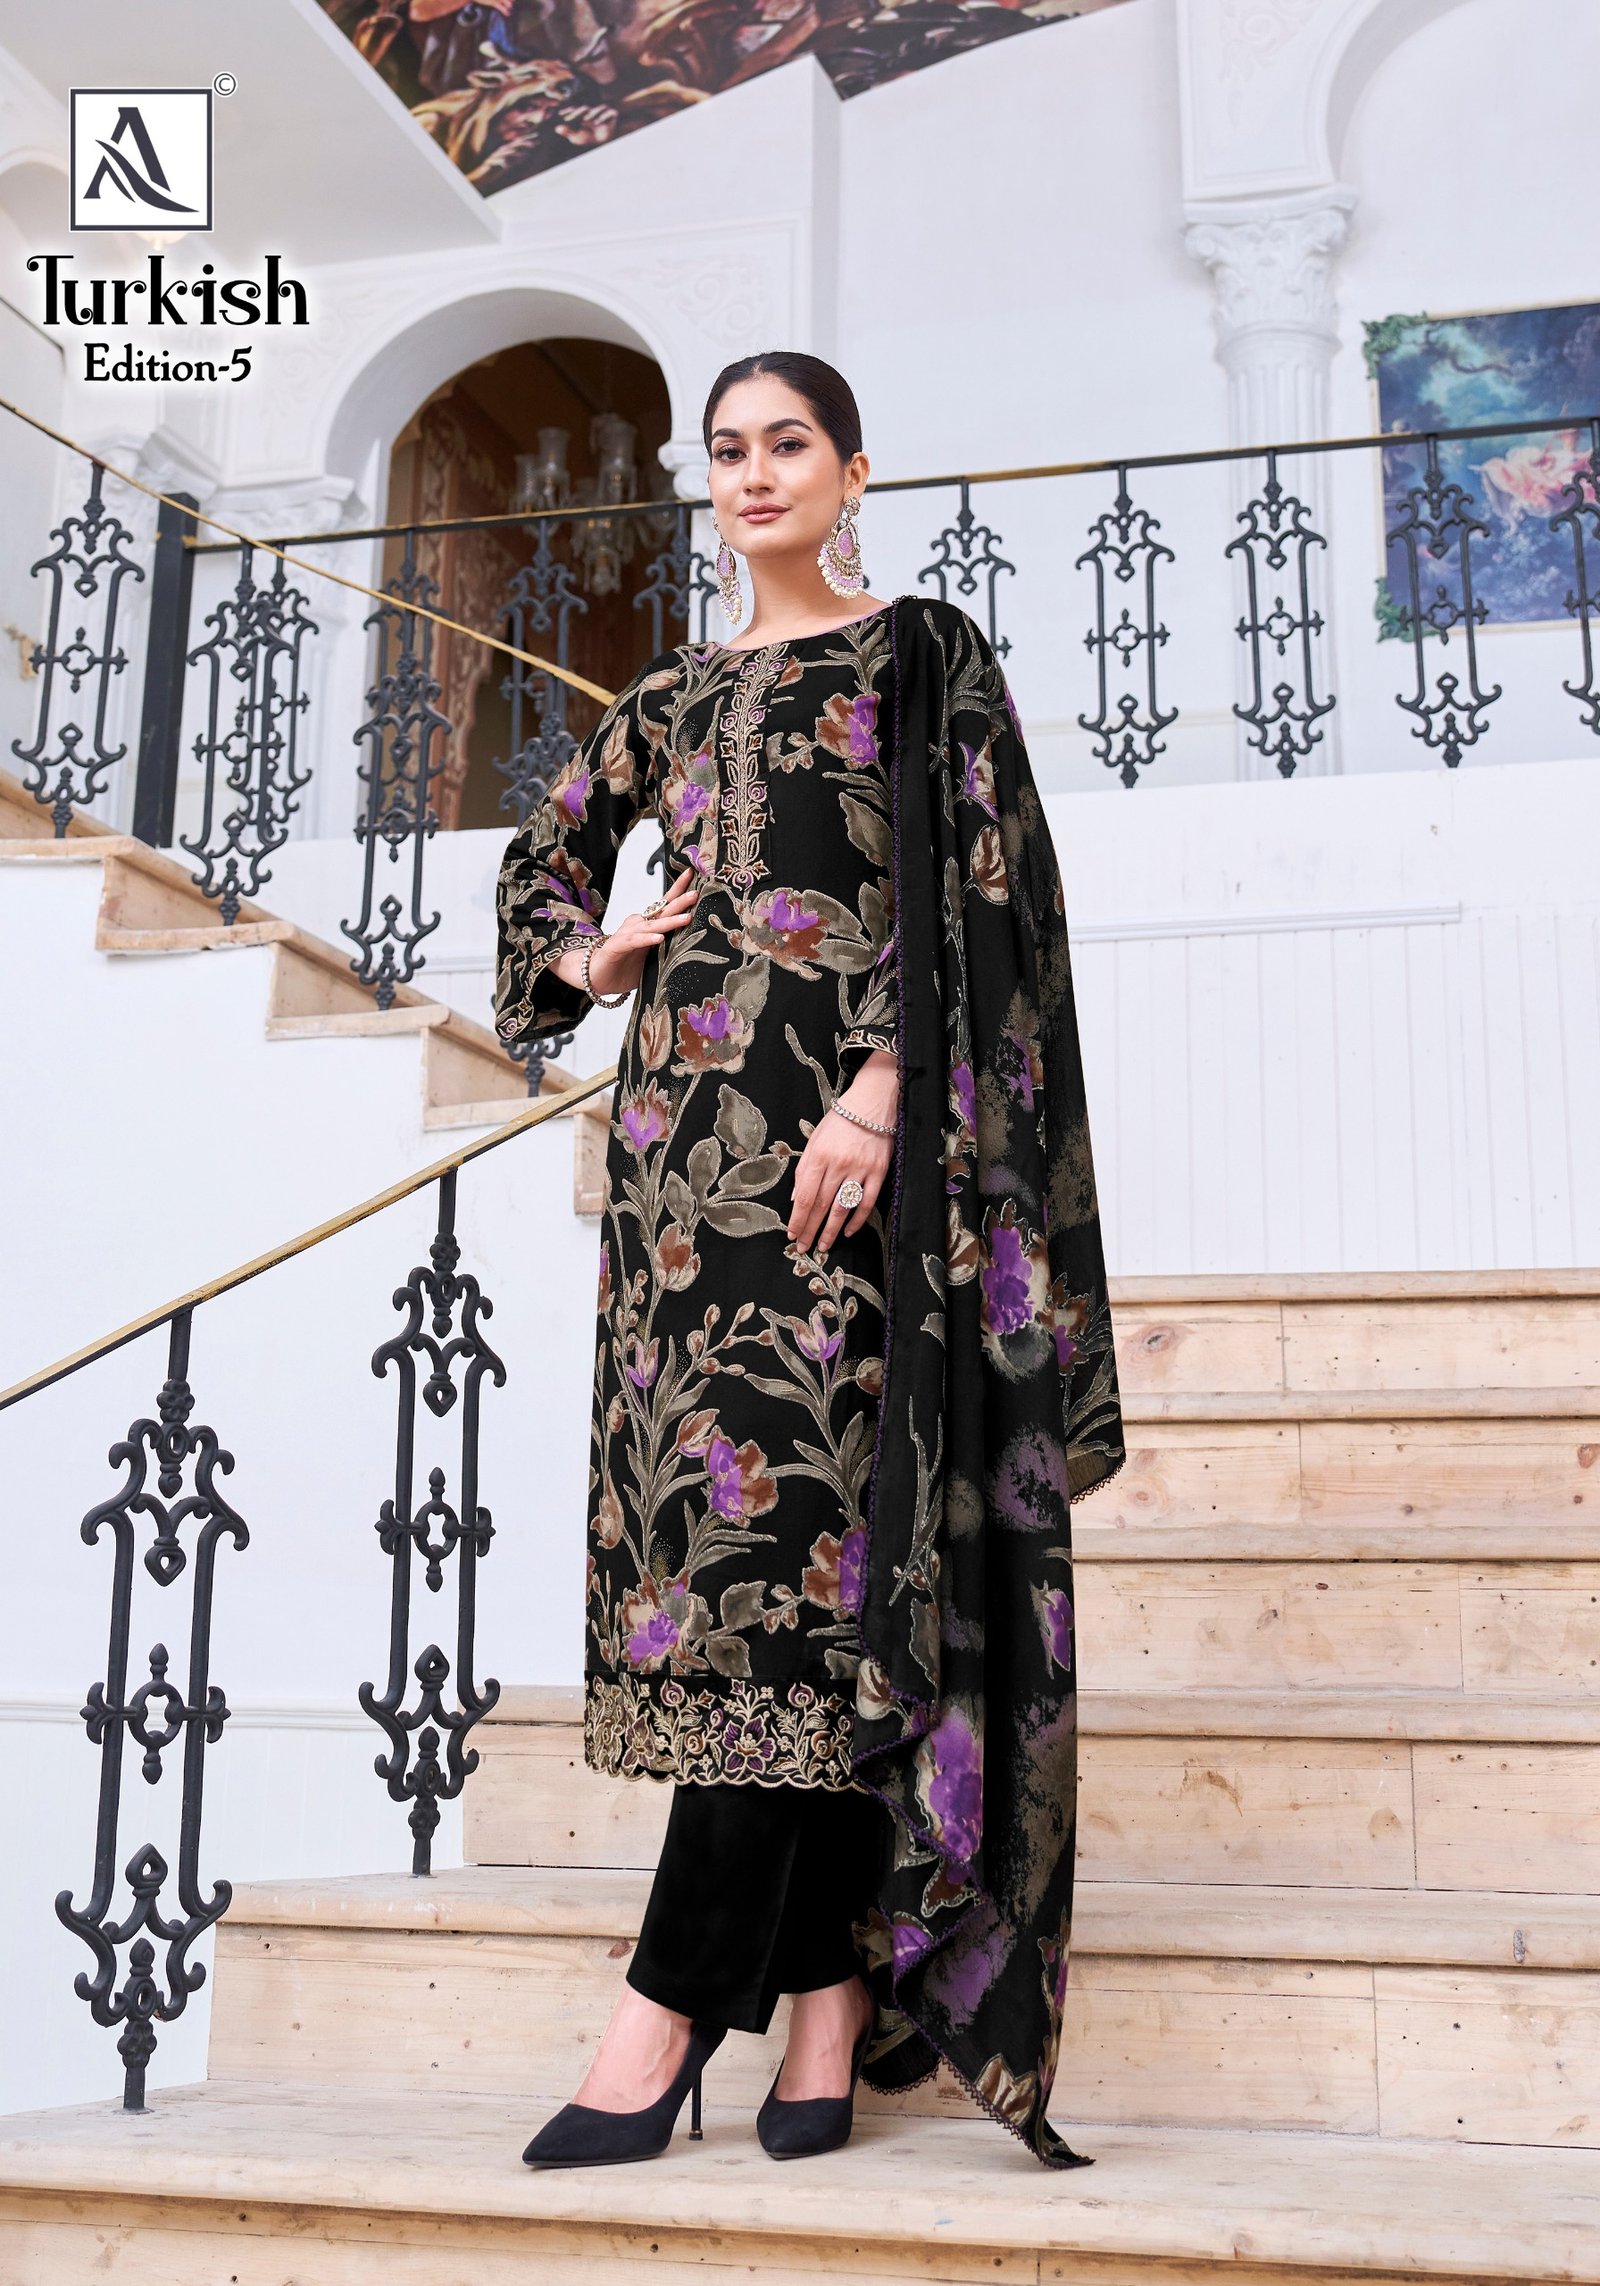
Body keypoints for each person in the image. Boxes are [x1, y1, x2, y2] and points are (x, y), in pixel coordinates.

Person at [495, 350, 1123, 2171]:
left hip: (855, 1190)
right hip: (678, 1188)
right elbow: (546, 866)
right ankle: (828, 2009)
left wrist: (885, 1086)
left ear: (854, 472)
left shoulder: (920, 655)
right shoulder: (668, 695)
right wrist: (597, 956)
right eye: (727, 450)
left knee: (816, 1571)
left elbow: (991, 897)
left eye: (789, 445)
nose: (754, 473)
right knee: (726, 1582)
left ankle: (664, 2008)